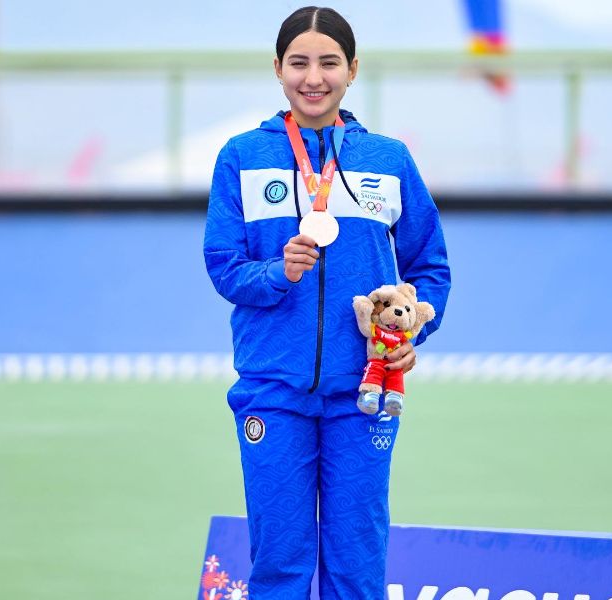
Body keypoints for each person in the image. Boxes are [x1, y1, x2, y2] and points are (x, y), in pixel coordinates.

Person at [204, 6, 450, 599]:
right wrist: (276, 273)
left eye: (329, 63)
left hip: (365, 390)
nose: (313, 78)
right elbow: (225, 267)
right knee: (280, 564)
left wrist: (413, 330)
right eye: (299, 63)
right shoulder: (240, 155)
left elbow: (429, 267)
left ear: (353, 70)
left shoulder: (389, 160)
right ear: (278, 69)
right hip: (272, 389)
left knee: (356, 566)